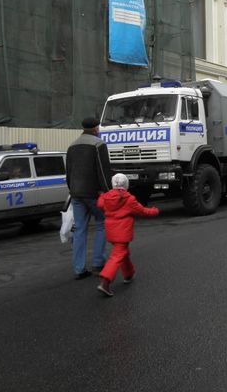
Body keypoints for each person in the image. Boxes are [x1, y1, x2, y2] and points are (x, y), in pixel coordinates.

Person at [96, 173, 159, 296]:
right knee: (118, 255)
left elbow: (100, 205)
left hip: (111, 232)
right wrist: (155, 211)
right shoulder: (129, 199)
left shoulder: (106, 197)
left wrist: (102, 196)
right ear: (126, 185)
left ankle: (128, 274)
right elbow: (143, 211)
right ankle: (105, 281)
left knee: (123, 253)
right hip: (122, 232)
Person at [66, 117, 113, 279]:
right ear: (95, 129)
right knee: (102, 224)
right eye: (98, 128)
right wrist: (108, 191)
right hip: (94, 193)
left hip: (76, 194)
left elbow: (68, 172)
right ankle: (98, 262)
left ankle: (79, 269)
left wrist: (72, 190)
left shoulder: (72, 146)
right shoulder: (99, 144)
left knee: (79, 229)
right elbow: (103, 170)